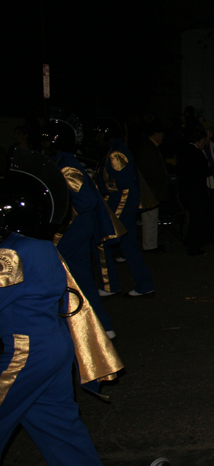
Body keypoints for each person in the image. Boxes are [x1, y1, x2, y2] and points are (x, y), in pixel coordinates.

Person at [1, 147, 123, 465]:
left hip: (23, 351)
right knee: (61, 434)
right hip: (52, 346)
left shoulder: (11, 254)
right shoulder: (40, 245)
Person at [41, 119, 123, 338]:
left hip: (75, 227)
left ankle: (54, 326)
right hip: (77, 227)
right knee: (83, 278)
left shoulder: (66, 165)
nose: (44, 144)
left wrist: (62, 212)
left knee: (50, 271)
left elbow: (86, 200)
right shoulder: (61, 161)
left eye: (47, 140)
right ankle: (103, 326)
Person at [94, 118, 157, 297]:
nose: (97, 137)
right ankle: (144, 283)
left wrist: (117, 214)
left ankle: (110, 286)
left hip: (120, 208)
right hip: (122, 208)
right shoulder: (115, 151)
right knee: (128, 246)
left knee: (104, 244)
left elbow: (125, 186)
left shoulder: (116, 154)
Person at [177, 127, 214, 256]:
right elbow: (204, 172)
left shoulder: (184, 151)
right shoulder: (196, 153)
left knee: (193, 218)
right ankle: (193, 247)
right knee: (197, 219)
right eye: (203, 141)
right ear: (199, 141)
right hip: (196, 192)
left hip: (186, 190)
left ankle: (189, 241)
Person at [137, 121, 170, 253]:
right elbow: (150, 172)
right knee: (150, 217)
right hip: (150, 190)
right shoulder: (148, 149)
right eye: (161, 134)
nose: (162, 137)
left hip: (151, 189)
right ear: (155, 134)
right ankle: (150, 245)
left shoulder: (150, 148)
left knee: (151, 217)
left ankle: (151, 243)